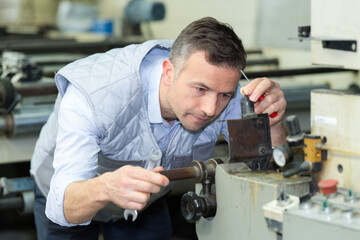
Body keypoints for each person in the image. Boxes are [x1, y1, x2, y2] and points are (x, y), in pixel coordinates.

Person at [30, 17, 287, 240]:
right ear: (168, 72)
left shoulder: (225, 94)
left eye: (223, 95)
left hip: (144, 204)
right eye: (200, 89)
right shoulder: (96, 96)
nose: (210, 109)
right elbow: (63, 206)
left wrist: (271, 123)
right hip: (70, 194)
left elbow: (265, 169)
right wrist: (106, 188)